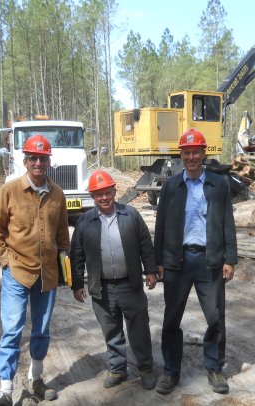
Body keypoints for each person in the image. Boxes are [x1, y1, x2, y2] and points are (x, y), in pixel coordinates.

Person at [0, 134, 70, 406]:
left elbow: (62, 236)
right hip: (17, 274)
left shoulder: (57, 194)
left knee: (41, 330)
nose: (38, 162)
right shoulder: (9, 191)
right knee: (12, 330)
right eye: (33, 157)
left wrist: (67, 267)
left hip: (47, 275)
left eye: (42, 158)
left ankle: (37, 378)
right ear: (25, 160)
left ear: (48, 161)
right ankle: (5, 389)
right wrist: (6, 261)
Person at [154, 128, 237, 395]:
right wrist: (159, 261)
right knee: (171, 319)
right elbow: (162, 225)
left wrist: (230, 258)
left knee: (215, 317)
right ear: (181, 155)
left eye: (196, 152)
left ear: (204, 153)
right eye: (186, 152)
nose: (191, 157)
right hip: (177, 261)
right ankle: (170, 372)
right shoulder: (171, 186)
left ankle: (214, 368)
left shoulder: (218, 184)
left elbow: (227, 223)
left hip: (209, 260)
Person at [70, 170, 158, 390]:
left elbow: (146, 245)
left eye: (107, 192)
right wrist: (77, 284)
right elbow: (77, 254)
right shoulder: (85, 221)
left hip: (131, 285)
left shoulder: (131, 215)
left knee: (139, 330)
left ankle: (146, 368)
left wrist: (151, 271)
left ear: (114, 191)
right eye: (98, 194)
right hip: (102, 288)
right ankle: (118, 370)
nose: (104, 198)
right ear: (93, 196)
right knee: (111, 331)